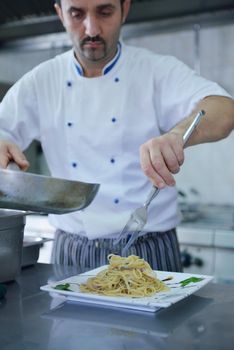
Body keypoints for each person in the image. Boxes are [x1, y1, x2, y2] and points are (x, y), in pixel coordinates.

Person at [0, 0, 233, 272]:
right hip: (72, 249)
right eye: (77, 14)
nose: (91, 29)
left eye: (105, 11)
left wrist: (177, 134)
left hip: (149, 248)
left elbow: (224, 109)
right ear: (59, 13)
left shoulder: (155, 70)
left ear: (125, 8)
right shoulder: (42, 80)